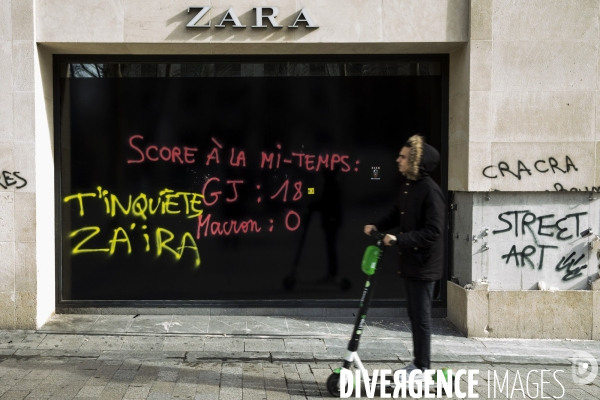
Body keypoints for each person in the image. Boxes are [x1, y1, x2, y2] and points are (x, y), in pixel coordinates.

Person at [364, 134, 445, 377]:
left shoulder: (431, 191)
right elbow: (395, 214)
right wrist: (375, 225)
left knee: (421, 317)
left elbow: (434, 231)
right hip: (412, 261)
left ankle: (422, 367)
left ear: (415, 161)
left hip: (424, 263)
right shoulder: (408, 187)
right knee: (414, 314)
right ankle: (418, 363)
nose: (398, 160)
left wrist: (399, 240)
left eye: (403, 157)